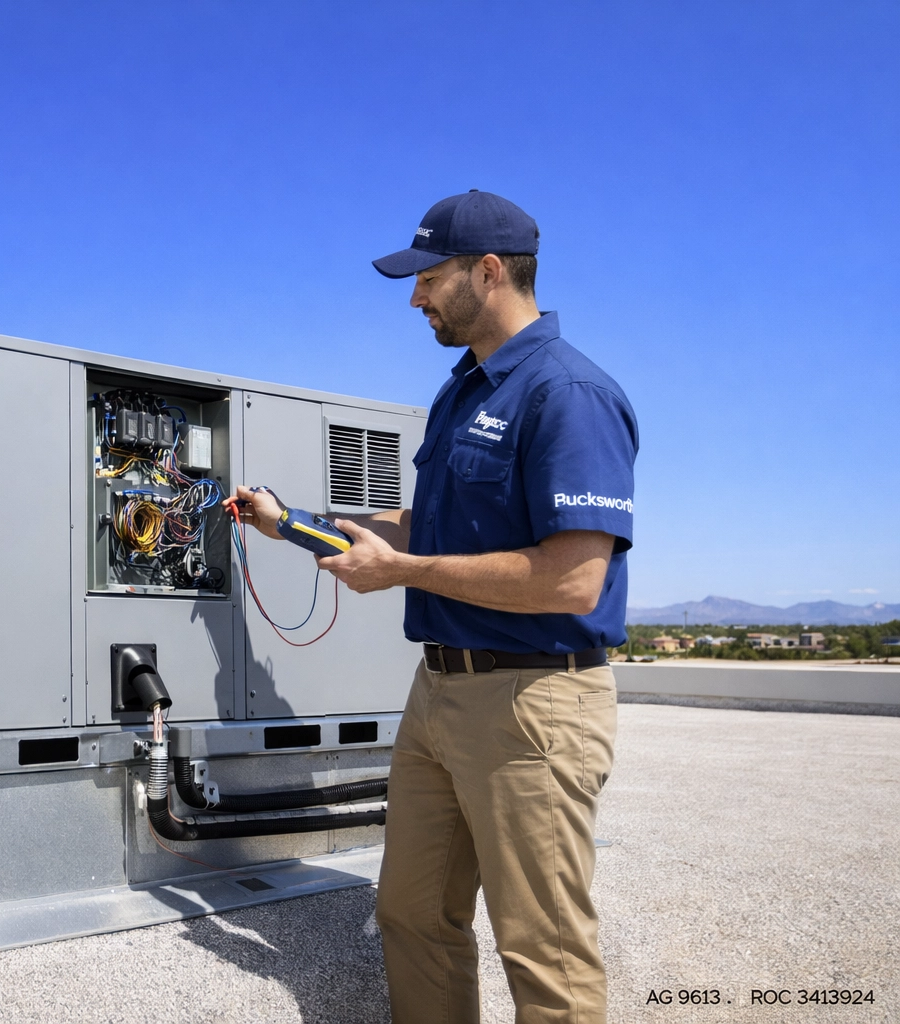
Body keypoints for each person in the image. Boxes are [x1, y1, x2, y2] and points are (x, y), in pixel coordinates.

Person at [226, 190, 636, 1023]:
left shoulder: (568, 395)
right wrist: (292, 523)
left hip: (534, 705)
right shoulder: (462, 392)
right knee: (412, 914)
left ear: (489, 273)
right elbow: (422, 525)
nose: (415, 297)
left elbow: (571, 580)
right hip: (440, 694)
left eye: (428, 278)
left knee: (543, 948)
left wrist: (404, 571)